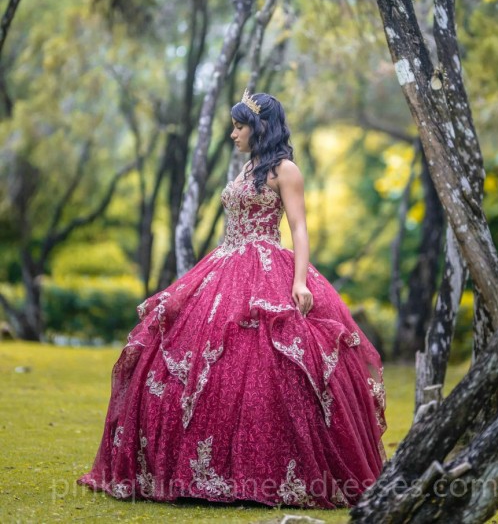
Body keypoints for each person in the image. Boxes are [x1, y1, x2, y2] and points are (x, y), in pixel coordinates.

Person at [77, 90, 387, 509]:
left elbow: (299, 228)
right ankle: (192, 471)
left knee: (272, 365)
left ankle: (272, 474)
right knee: (192, 358)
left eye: (239, 126)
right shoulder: (248, 167)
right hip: (224, 265)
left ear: (260, 127)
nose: (232, 133)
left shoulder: (285, 170)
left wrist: (300, 282)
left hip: (267, 266)